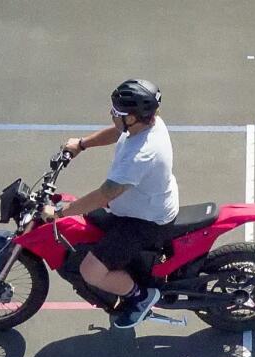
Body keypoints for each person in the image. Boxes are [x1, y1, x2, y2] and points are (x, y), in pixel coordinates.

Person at [41, 79, 179, 328]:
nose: (112, 114)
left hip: (145, 221)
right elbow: (117, 132)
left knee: (91, 271)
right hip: (141, 205)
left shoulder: (142, 153)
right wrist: (82, 144)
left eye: (117, 113)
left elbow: (106, 194)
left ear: (133, 118)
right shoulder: (147, 124)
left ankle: (140, 297)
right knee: (89, 219)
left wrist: (60, 212)